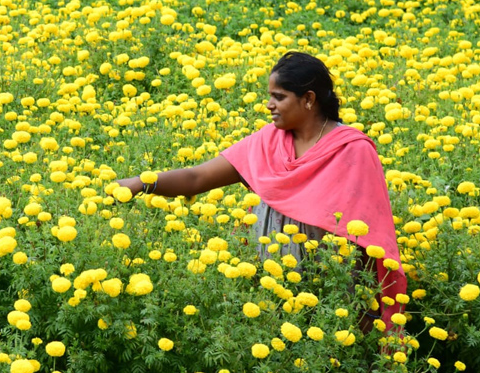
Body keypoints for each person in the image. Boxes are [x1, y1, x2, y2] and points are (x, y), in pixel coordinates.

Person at [116, 51, 406, 332]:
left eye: (279, 97)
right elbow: (196, 178)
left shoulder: (351, 150)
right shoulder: (268, 142)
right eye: (270, 96)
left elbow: (370, 235)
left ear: (308, 99)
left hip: (333, 296)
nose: (269, 104)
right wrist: (142, 183)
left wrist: (368, 307)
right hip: (269, 291)